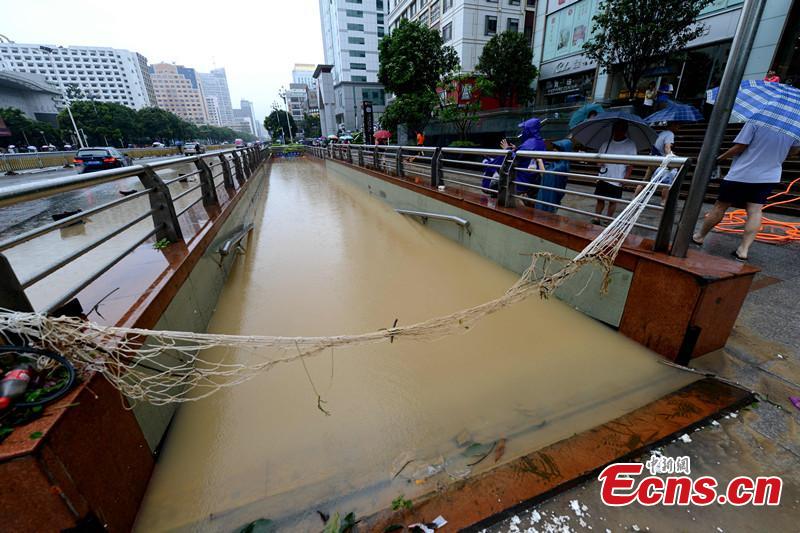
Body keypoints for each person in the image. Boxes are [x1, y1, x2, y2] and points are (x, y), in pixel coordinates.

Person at [692, 122, 800, 261]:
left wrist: (719, 159)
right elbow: (794, 151)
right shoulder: (794, 127)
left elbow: (740, 146)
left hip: (742, 172)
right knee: (755, 211)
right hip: (769, 175)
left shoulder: (756, 122)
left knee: (720, 206)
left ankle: (699, 236)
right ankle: (743, 250)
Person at [594, 121, 638, 221]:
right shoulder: (606, 143)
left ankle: (607, 220)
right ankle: (596, 218)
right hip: (603, 176)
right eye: (616, 128)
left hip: (617, 177)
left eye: (621, 129)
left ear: (625, 130)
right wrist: (599, 163)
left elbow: (631, 164)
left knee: (613, 201)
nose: (618, 131)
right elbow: (598, 159)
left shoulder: (630, 144)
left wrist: (626, 178)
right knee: (600, 199)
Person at [636, 122, 681, 205]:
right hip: (660, 161)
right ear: (672, 125)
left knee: (646, 180)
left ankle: (635, 198)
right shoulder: (670, 134)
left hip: (653, 159)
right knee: (667, 181)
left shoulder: (661, 133)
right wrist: (673, 157)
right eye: (677, 124)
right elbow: (667, 148)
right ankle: (664, 201)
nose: (679, 126)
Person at [500, 118, 547, 197]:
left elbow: (514, 158)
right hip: (533, 180)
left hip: (522, 181)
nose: (522, 131)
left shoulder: (530, 143)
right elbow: (524, 155)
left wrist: (507, 149)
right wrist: (516, 149)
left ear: (529, 130)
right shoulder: (540, 142)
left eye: (524, 129)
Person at [535, 139, 573, 212]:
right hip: (551, 194)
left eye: (557, 148)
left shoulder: (561, 166)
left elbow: (544, 175)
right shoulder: (558, 163)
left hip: (551, 196)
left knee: (547, 211)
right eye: (554, 147)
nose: (554, 150)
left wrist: (539, 161)